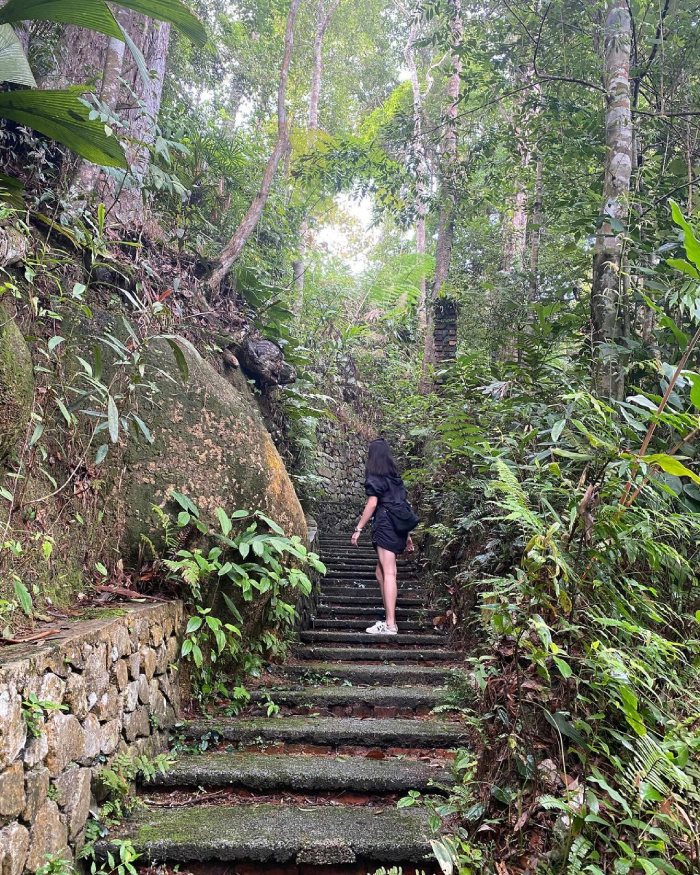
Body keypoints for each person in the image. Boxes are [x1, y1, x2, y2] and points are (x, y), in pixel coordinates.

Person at [351, 438, 414, 635]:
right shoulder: (396, 479)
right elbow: (403, 507)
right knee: (381, 573)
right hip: (397, 528)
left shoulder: (375, 475)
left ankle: (390, 625)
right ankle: (388, 619)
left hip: (385, 525)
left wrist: (359, 528)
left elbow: (372, 503)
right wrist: (407, 535)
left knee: (388, 573)